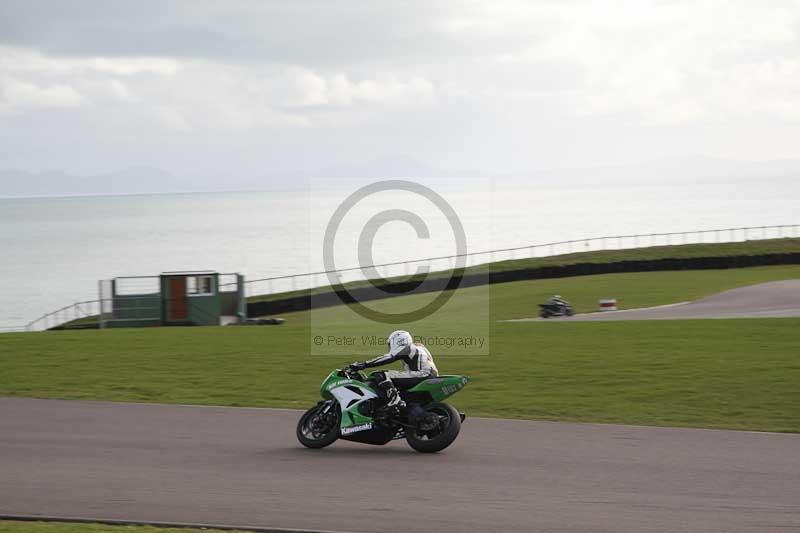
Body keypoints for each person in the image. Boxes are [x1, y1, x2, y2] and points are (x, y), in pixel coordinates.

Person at [348, 330, 439, 409]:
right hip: (429, 376)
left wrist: (364, 364)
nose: (390, 347)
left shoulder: (408, 347)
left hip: (422, 374)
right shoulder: (420, 348)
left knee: (382, 374)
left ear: (398, 340)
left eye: (391, 343)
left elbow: (389, 357)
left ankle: (395, 400)